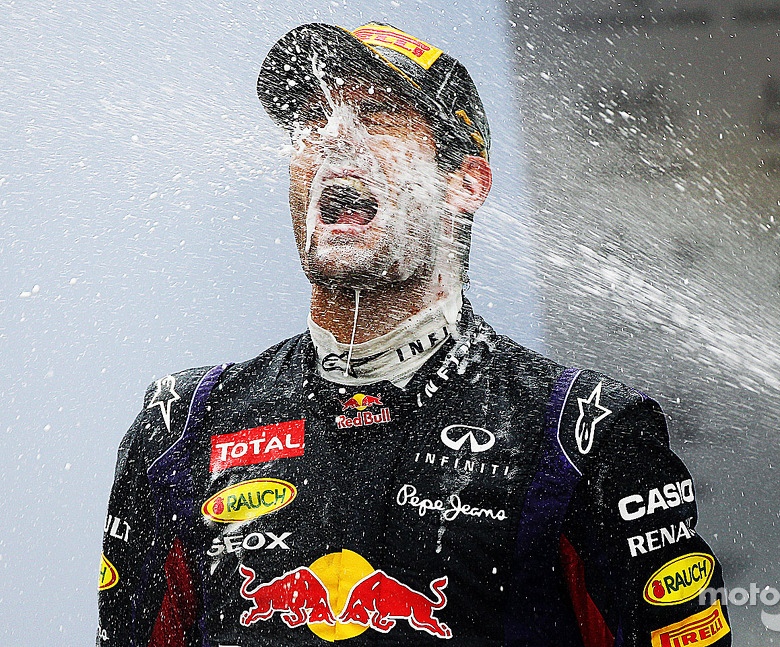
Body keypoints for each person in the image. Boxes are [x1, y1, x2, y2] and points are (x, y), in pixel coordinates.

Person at [98, 21, 731, 647]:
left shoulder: (583, 432)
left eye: (375, 115)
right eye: (312, 120)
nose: (335, 140)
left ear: (466, 183)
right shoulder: (181, 426)